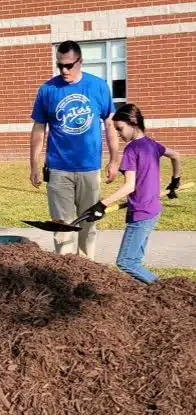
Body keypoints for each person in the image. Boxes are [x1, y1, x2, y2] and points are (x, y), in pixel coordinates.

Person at [30, 40, 120, 260]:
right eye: (60, 65)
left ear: (80, 61)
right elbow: (39, 129)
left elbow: (110, 124)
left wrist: (114, 160)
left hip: (89, 168)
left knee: (88, 224)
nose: (64, 70)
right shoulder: (47, 90)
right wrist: (34, 165)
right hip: (58, 169)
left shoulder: (98, 86)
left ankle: (87, 267)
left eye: (69, 65)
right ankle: (66, 272)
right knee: (62, 227)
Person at [80, 104, 181, 284]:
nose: (119, 134)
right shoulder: (152, 144)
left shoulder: (132, 149)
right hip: (153, 210)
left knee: (126, 262)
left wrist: (102, 204)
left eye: (120, 128)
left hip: (141, 213)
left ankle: (163, 288)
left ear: (133, 122)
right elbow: (175, 155)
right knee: (134, 260)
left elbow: (129, 186)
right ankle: (151, 292)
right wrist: (175, 180)